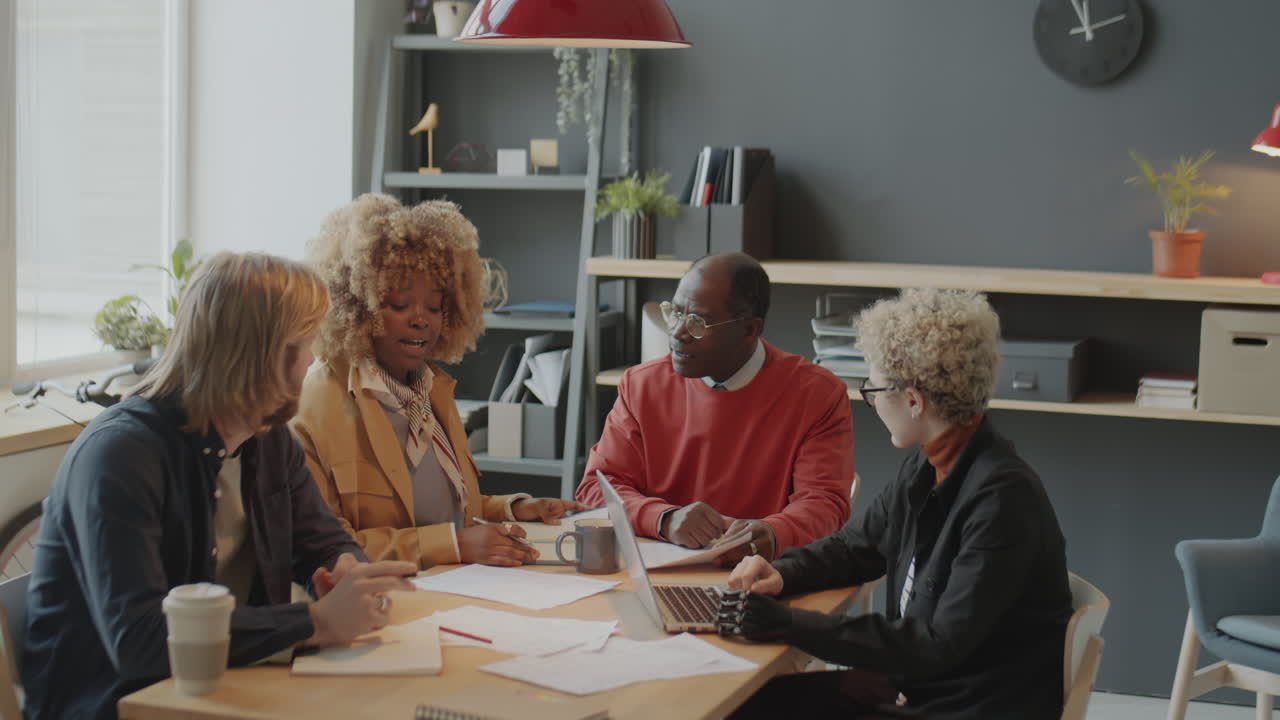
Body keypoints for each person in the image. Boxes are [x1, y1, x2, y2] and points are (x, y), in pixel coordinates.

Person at [22, 253, 417, 720]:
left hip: (229, 691)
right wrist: (312, 622)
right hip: (124, 704)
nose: (313, 359)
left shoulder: (268, 441)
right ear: (263, 353)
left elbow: (323, 542)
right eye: (305, 342)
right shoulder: (120, 456)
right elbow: (139, 639)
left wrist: (347, 573)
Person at [725, 288, 1074, 720]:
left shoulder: (1002, 500)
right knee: (748, 705)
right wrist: (780, 573)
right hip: (924, 686)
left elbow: (935, 642)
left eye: (873, 389)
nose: (869, 401)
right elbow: (856, 548)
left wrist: (785, 622)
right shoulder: (926, 468)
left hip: (964, 706)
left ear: (913, 400)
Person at [292, 194, 587, 570]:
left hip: (450, 592)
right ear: (357, 306)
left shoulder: (429, 389)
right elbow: (327, 548)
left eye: (434, 307)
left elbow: (442, 509)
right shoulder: (315, 406)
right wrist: (455, 545)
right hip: (381, 605)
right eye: (399, 305)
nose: (422, 320)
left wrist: (514, 509)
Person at [576, 252, 854, 565]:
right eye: (675, 313)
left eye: (697, 322)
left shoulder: (817, 394)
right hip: (655, 575)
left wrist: (772, 533)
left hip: (763, 578)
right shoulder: (641, 386)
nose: (678, 332)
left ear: (750, 330)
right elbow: (596, 488)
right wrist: (664, 520)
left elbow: (824, 504)